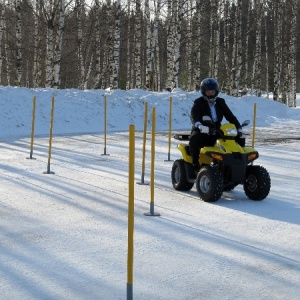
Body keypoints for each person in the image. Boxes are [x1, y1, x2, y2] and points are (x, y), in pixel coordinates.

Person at [189, 78, 245, 171]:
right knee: (194, 138)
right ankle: (195, 164)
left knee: (239, 137)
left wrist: (239, 128)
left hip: (217, 129)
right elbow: (194, 115)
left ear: (216, 91)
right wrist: (199, 125)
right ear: (204, 92)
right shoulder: (198, 102)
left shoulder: (220, 102)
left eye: (212, 92)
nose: (211, 94)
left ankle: (239, 164)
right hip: (203, 129)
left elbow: (230, 117)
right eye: (208, 92)